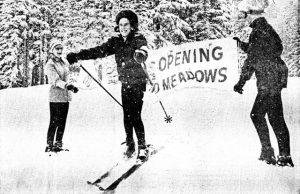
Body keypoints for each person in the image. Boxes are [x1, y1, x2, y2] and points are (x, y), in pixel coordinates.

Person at [66, 10, 149, 161]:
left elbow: (144, 49)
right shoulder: (115, 42)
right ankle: (130, 143)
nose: (123, 27)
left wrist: (141, 54)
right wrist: (78, 55)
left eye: (126, 24)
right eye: (121, 25)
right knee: (127, 115)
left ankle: (142, 147)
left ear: (132, 26)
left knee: (135, 114)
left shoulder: (138, 39)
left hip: (138, 82)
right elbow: (98, 51)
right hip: (125, 83)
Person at [233, 17, 293, 167]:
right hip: (274, 80)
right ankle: (283, 156)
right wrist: (241, 45)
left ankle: (269, 152)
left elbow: (252, 58)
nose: (246, 18)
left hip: (268, 81)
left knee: (257, 115)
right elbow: (259, 50)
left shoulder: (258, 32)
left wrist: (241, 83)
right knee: (275, 118)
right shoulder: (267, 29)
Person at [45, 40, 78, 153]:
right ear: (52, 50)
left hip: (65, 97)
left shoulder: (63, 62)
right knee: (54, 121)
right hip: (55, 96)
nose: (59, 51)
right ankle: (49, 145)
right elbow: (55, 80)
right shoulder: (50, 64)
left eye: (60, 48)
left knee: (62, 121)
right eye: (57, 48)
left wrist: (72, 86)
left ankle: (58, 143)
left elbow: (68, 75)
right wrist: (66, 85)